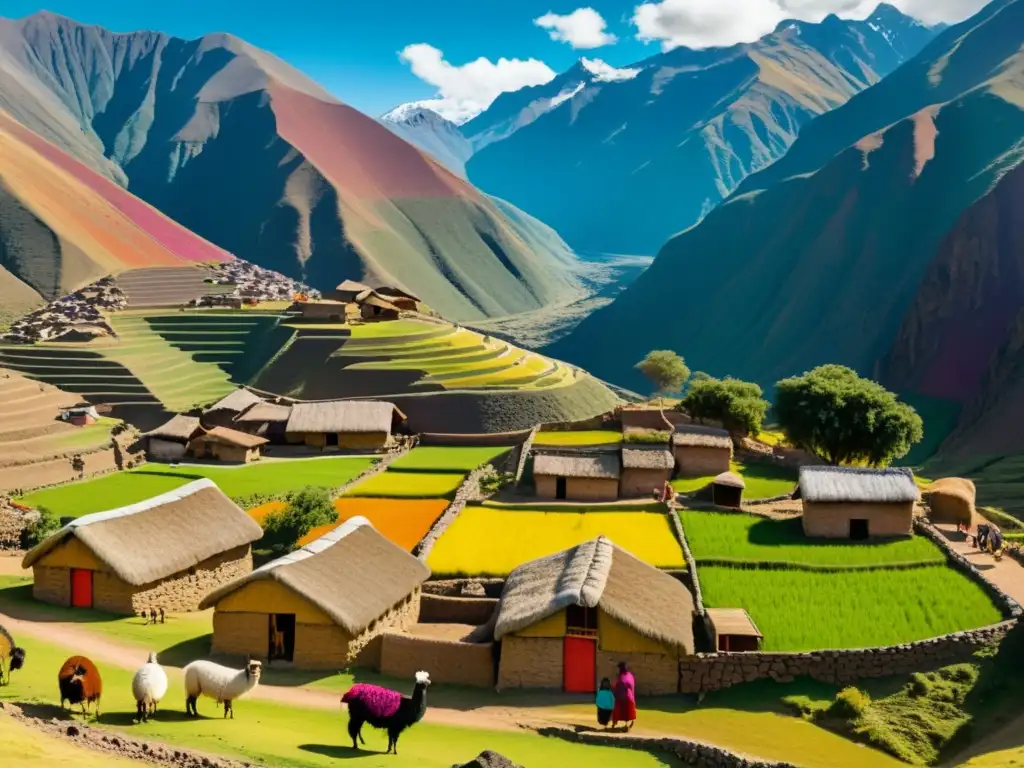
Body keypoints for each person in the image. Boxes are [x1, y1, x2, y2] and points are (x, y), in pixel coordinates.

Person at [612, 661, 637, 730]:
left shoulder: (621, 676)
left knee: (617, 708)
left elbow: (619, 685)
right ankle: (629, 722)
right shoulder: (630, 675)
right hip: (629, 697)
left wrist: (614, 691)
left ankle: (614, 723)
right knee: (628, 710)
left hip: (622, 696)